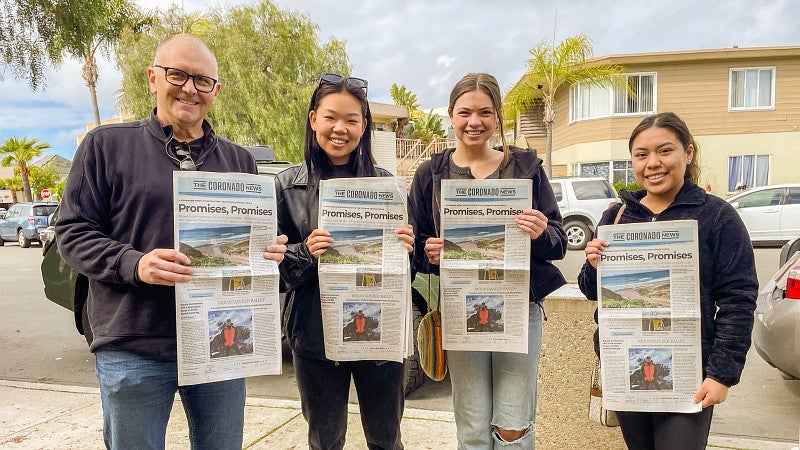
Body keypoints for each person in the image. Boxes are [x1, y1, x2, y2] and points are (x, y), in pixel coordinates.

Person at [56, 34, 288, 450]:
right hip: (135, 345)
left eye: (202, 81)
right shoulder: (106, 146)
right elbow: (72, 232)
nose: (189, 89)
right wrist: (135, 263)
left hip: (221, 343)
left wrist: (266, 252)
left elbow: (252, 242)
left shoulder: (239, 161)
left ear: (215, 91)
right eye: (177, 74)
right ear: (152, 78)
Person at [578, 112, 757, 449]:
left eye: (665, 151)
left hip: (690, 372)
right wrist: (593, 263)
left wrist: (722, 374)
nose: (653, 164)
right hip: (626, 364)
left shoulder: (716, 216)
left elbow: (739, 298)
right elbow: (591, 291)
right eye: (641, 155)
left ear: (688, 153)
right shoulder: (617, 215)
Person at [409, 72, 567, 448]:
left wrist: (540, 232)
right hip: (461, 308)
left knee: (513, 425)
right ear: (451, 115)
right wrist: (427, 251)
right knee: (473, 427)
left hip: (519, 308)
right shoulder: (431, 174)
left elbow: (559, 243)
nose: (474, 122)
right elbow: (413, 248)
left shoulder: (526, 168)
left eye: (484, 112)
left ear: (497, 116)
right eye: (465, 112)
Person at [275, 72, 414, 450]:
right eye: (331, 117)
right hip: (315, 338)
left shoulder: (387, 185)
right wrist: (306, 252)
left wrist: (406, 249)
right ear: (313, 119)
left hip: (379, 335)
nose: (341, 129)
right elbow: (273, 269)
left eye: (352, 120)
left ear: (364, 126)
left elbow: (406, 271)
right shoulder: (286, 186)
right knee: (325, 442)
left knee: (386, 440)